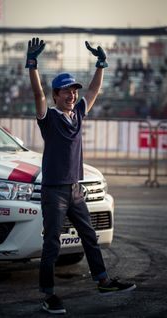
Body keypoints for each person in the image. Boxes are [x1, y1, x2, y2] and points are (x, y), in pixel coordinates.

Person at [25, 37, 136, 315]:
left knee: (89, 236)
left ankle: (103, 281)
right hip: (53, 191)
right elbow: (38, 94)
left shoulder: (78, 115)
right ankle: (48, 295)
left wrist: (101, 64)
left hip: (75, 190)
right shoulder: (47, 117)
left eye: (74, 90)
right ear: (56, 96)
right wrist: (32, 65)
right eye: (66, 91)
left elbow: (95, 89)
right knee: (51, 244)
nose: (72, 95)